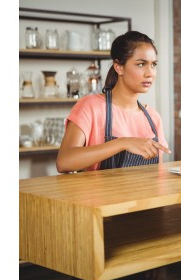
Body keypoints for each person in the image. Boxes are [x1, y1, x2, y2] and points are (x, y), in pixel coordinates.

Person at [56, 30, 170, 173]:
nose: (150, 73)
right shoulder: (90, 106)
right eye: (141, 64)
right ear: (119, 67)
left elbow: (157, 175)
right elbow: (64, 162)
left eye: (153, 64)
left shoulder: (153, 118)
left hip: (144, 195)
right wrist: (122, 143)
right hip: (99, 195)